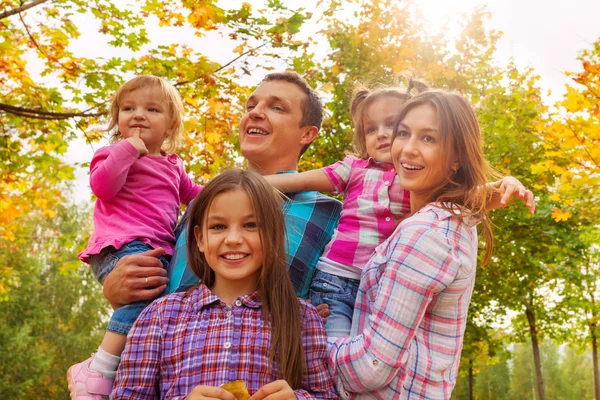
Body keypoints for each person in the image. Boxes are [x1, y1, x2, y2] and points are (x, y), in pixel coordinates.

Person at [263, 81, 535, 339]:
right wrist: (244, 183)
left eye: (392, 126)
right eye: (371, 129)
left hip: (379, 285)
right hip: (336, 279)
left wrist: (505, 186)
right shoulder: (353, 169)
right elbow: (295, 180)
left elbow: (463, 196)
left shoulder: (415, 177)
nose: (380, 133)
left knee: (368, 349)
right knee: (332, 349)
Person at [101, 71, 343, 312]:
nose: (255, 112)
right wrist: (116, 293)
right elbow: (157, 303)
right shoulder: (202, 204)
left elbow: (340, 304)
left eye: (277, 108)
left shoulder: (330, 216)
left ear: (307, 134)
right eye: (251, 106)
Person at [328, 89, 516, 399]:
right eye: (404, 133)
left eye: (428, 139)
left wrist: (317, 339)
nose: (407, 149)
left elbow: (370, 367)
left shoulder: (423, 232)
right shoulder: (454, 221)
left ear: (457, 157)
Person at [111, 169, 337, 400]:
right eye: (218, 227)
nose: (233, 239)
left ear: (274, 235)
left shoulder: (303, 318)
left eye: (251, 225)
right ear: (199, 239)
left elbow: (325, 395)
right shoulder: (158, 316)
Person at [68, 75, 202, 399]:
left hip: (155, 248)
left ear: (170, 126)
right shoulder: (112, 153)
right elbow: (103, 186)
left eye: (152, 109)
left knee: (156, 307)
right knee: (146, 293)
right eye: (128, 108)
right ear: (118, 119)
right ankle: (98, 369)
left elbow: (197, 196)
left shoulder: (173, 165)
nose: (138, 115)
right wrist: (129, 149)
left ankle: (118, 369)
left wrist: (231, 189)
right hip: (121, 245)